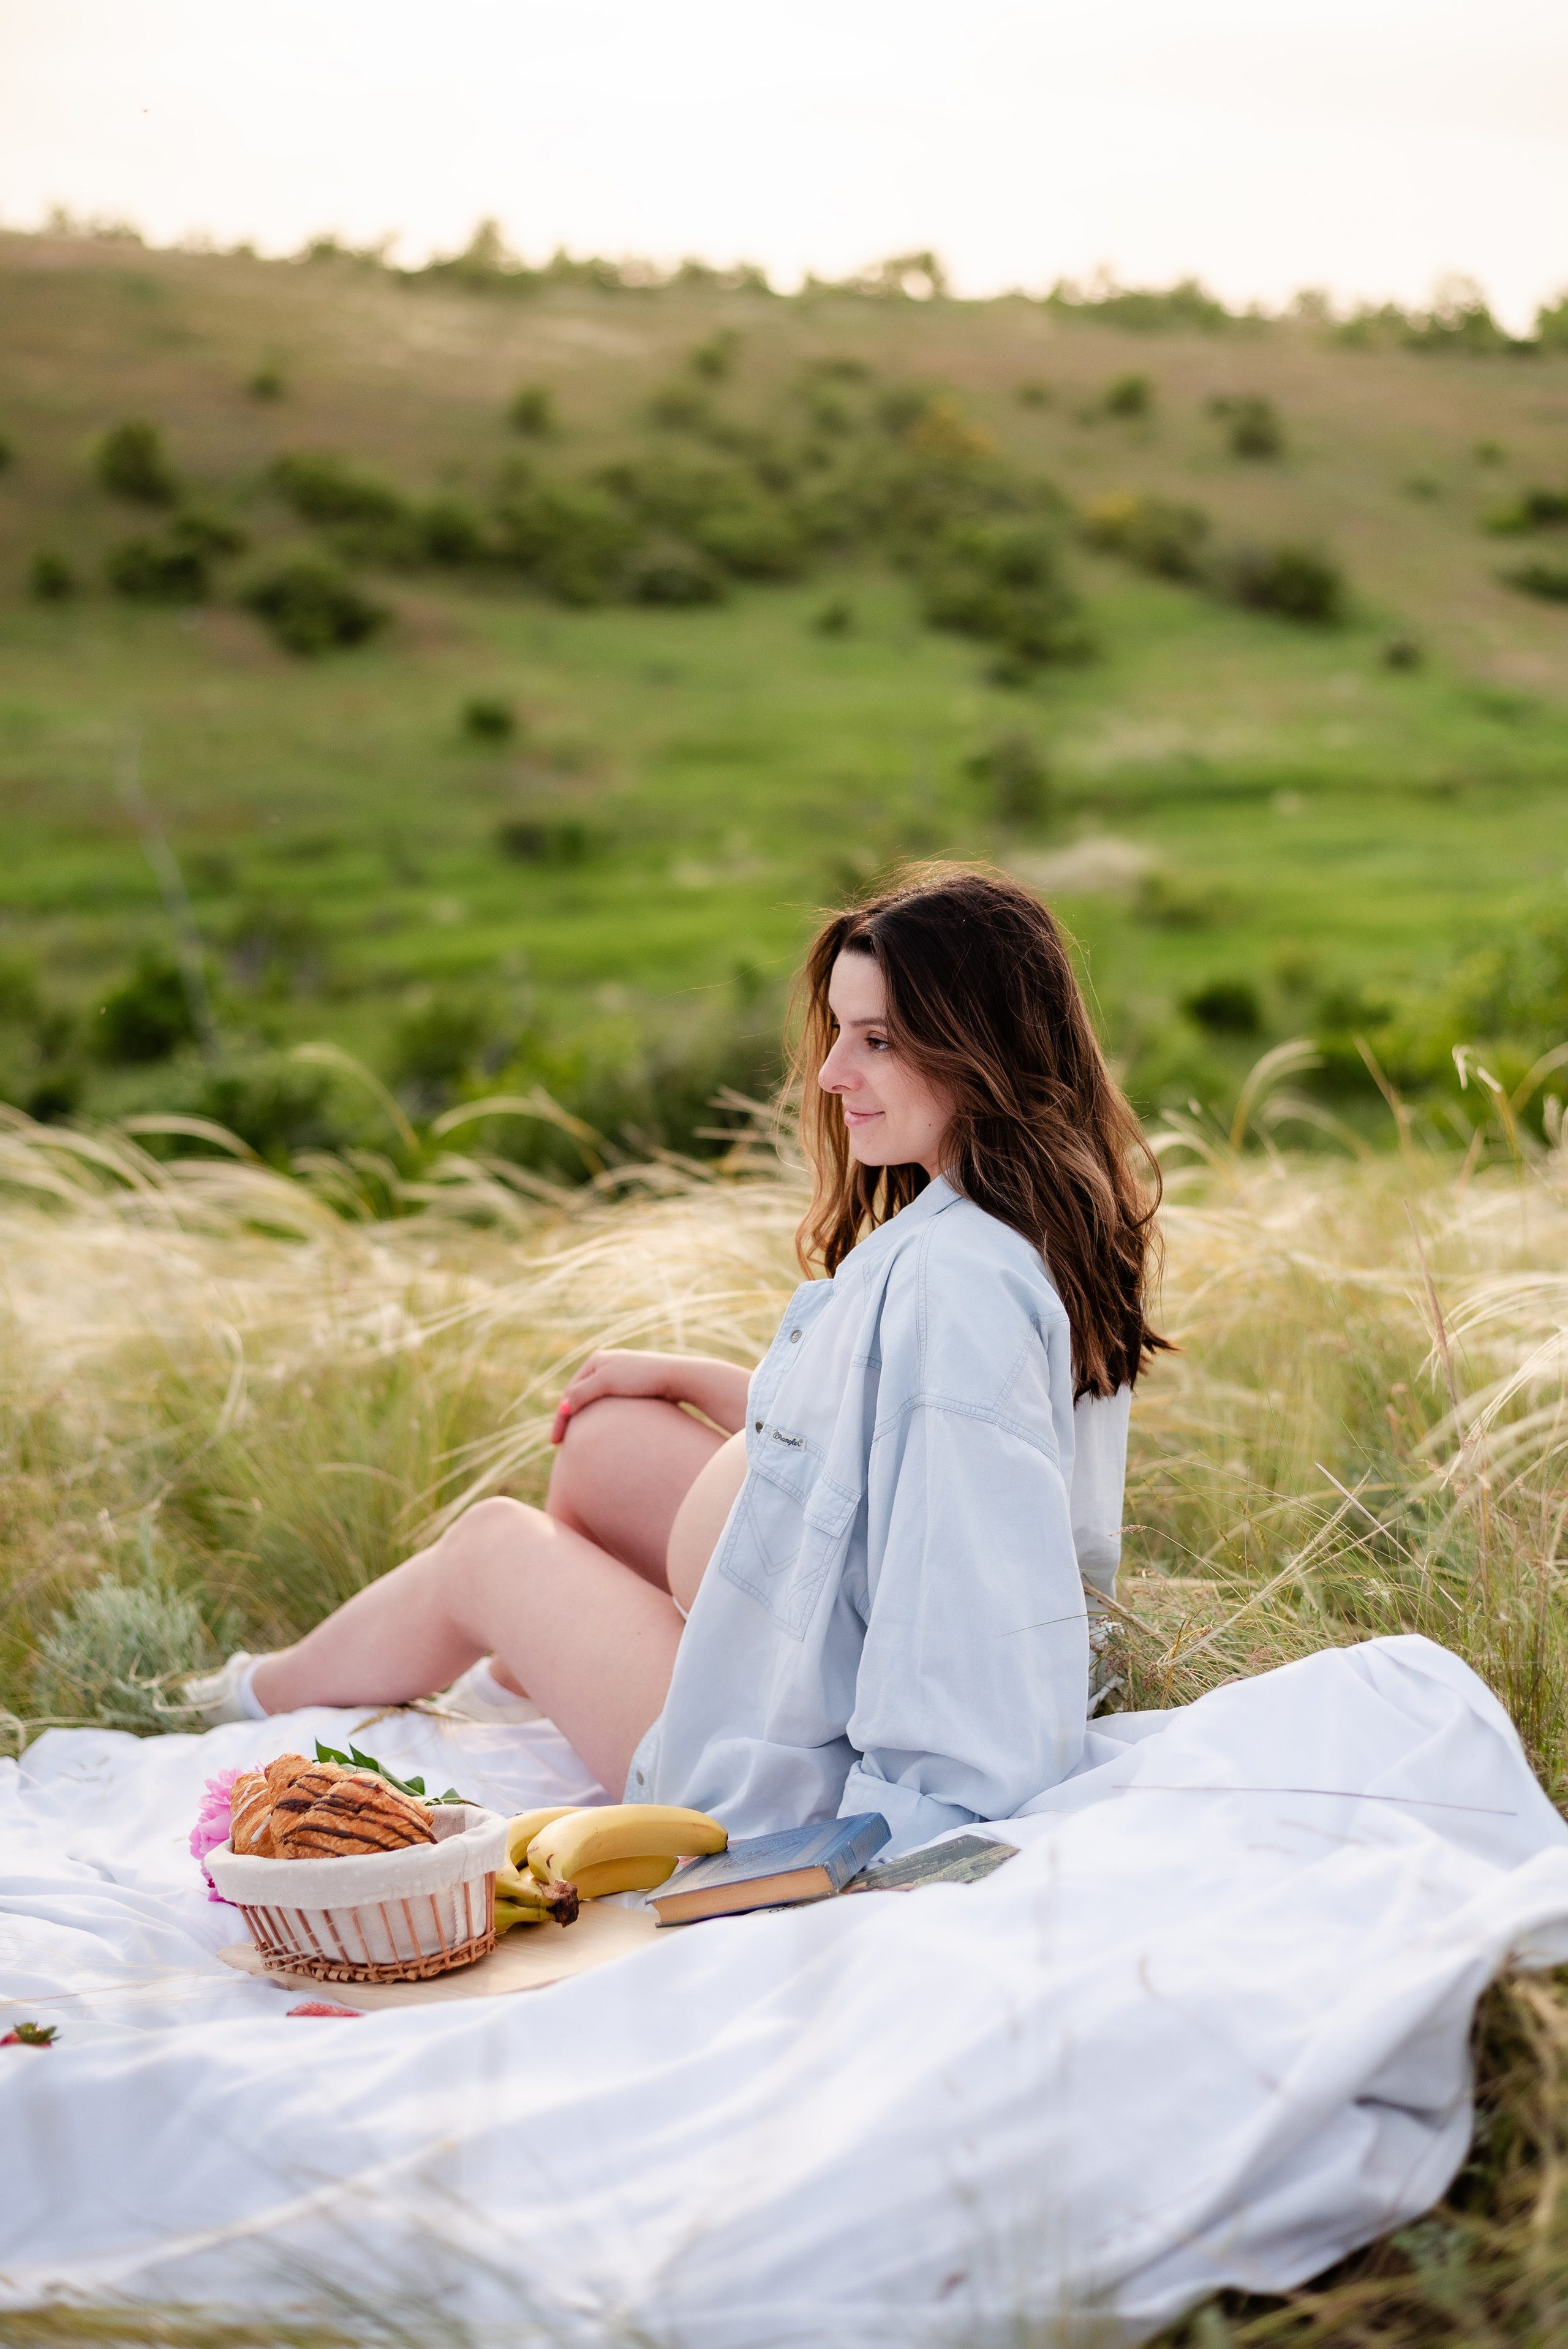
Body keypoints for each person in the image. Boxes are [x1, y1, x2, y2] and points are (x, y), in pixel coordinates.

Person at [185, 866, 1167, 1854]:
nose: (831, 1074)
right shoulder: (1002, 1222)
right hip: (785, 1610)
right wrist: (705, 1381)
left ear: (980, 1051)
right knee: (607, 1440)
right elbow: (896, 1451)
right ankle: (528, 1680)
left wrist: (897, 1828)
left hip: (762, 1745)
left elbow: (959, 1592)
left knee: (488, 1542)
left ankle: (245, 1695)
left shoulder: (953, 1282)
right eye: (839, 1033)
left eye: (877, 1042)